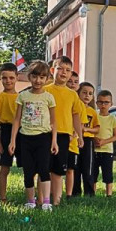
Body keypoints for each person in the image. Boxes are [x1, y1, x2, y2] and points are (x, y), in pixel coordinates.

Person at [9, 61, 58, 210]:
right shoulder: (23, 96)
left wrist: (54, 141)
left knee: (44, 170)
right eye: (35, 77)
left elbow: (53, 121)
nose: (38, 80)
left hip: (43, 137)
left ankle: (46, 202)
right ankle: (30, 201)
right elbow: (17, 119)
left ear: (47, 79)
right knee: (28, 171)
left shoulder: (49, 97)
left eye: (42, 77)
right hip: (25, 138)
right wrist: (13, 141)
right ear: (29, 77)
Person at [46, 56, 84, 207]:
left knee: (58, 170)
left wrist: (79, 135)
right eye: (60, 68)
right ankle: (43, 199)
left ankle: (56, 201)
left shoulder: (73, 94)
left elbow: (76, 116)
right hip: (45, 134)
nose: (64, 72)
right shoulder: (45, 90)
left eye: (68, 70)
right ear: (52, 70)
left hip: (64, 136)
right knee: (43, 168)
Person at [0, 63, 20, 204]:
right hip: (6, 131)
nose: (8, 81)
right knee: (4, 167)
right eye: (5, 78)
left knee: (29, 166)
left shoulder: (22, 98)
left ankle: (31, 196)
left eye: (11, 78)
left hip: (22, 132)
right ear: (0, 79)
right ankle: (3, 197)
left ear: (17, 78)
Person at [72, 81, 100, 197]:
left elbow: (97, 128)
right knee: (75, 167)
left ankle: (89, 193)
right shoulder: (74, 108)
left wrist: (86, 129)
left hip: (88, 141)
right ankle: (75, 192)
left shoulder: (92, 112)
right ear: (78, 93)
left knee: (88, 167)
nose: (87, 96)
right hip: (75, 140)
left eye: (90, 93)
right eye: (84, 92)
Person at [94, 89, 116, 196]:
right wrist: (94, 139)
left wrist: (105, 141)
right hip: (94, 150)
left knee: (108, 174)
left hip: (107, 151)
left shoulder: (112, 118)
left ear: (111, 104)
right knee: (93, 173)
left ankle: (109, 194)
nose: (103, 105)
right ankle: (92, 193)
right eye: (100, 102)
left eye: (106, 102)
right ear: (97, 103)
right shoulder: (94, 116)